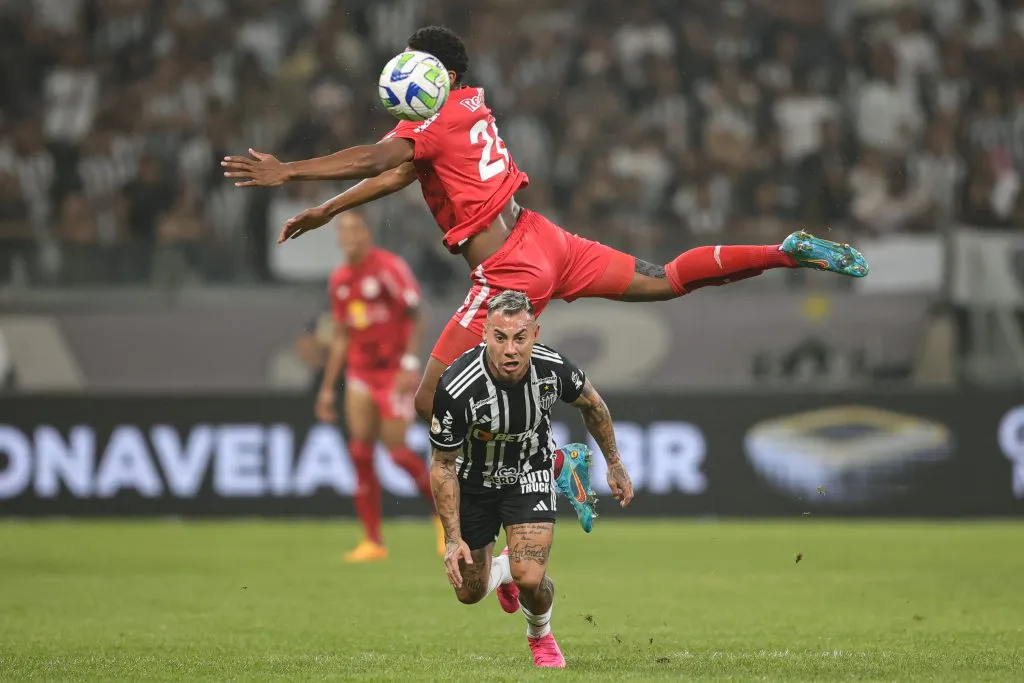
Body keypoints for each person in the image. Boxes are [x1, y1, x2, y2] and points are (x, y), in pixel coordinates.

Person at [221, 25, 867, 523]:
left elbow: (379, 155)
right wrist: (328, 209)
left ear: (438, 74)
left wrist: (291, 171)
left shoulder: (436, 118)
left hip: (509, 271)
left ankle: (558, 461)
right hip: (546, 237)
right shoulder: (466, 103)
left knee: (430, 400)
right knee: (666, 279)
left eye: (416, 67)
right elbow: (400, 169)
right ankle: (785, 250)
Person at [427, 290, 634, 668]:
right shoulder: (457, 386)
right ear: (485, 334)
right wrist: (453, 538)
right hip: (474, 482)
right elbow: (442, 465)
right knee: (469, 592)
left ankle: (540, 636)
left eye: (520, 337)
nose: (510, 349)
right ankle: (502, 568)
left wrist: (615, 462)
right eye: (500, 337)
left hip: (529, 472)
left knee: (531, 579)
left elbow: (594, 405)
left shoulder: (552, 368)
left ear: (535, 334)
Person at [318, 211, 444, 562]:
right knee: (360, 452)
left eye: (356, 229)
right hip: (360, 373)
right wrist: (328, 388)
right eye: (344, 232)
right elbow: (342, 337)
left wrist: (409, 362)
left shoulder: (388, 268)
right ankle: (372, 540)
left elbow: (417, 313)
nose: (350, 237)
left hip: (392, 372)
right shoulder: (340, 280)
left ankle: (444, 520)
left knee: (398, 452)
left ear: (368, 233)